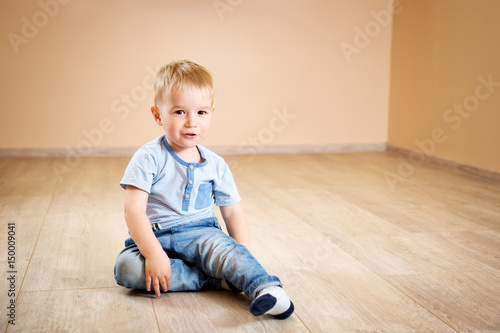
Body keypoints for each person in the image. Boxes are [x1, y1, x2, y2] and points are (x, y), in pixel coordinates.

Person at [114, 60, 294, 319]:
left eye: (201, 113)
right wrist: (153, 253)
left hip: (202, 235)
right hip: (156, 236)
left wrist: (240, 255)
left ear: (211, 113)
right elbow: (133, 211)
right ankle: (217, 280)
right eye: (179, 112)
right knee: (126, 269)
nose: (191, 122)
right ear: (157, 115)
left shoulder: (216, 165)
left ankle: (269, 290)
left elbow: (232, 212)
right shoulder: (148, 157)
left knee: (226, 253)